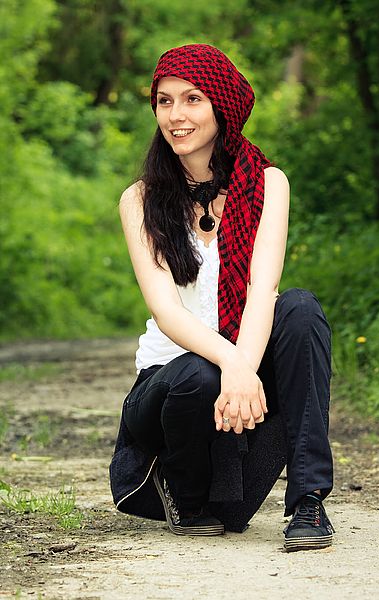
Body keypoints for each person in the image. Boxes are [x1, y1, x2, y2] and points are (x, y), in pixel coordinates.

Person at [109, 43, 334, 552]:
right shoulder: (140, 199)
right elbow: (167, 312)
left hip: (235, 393)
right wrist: (235, 365)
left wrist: (240, 371)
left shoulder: (268, 183)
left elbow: (262, 290)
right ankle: (182, 493)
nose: (175, 115)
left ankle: (308, 502)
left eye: (192, 99)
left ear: (222, 107)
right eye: (164, 101)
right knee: (198, 370)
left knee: (299, 309)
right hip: (169, 392)